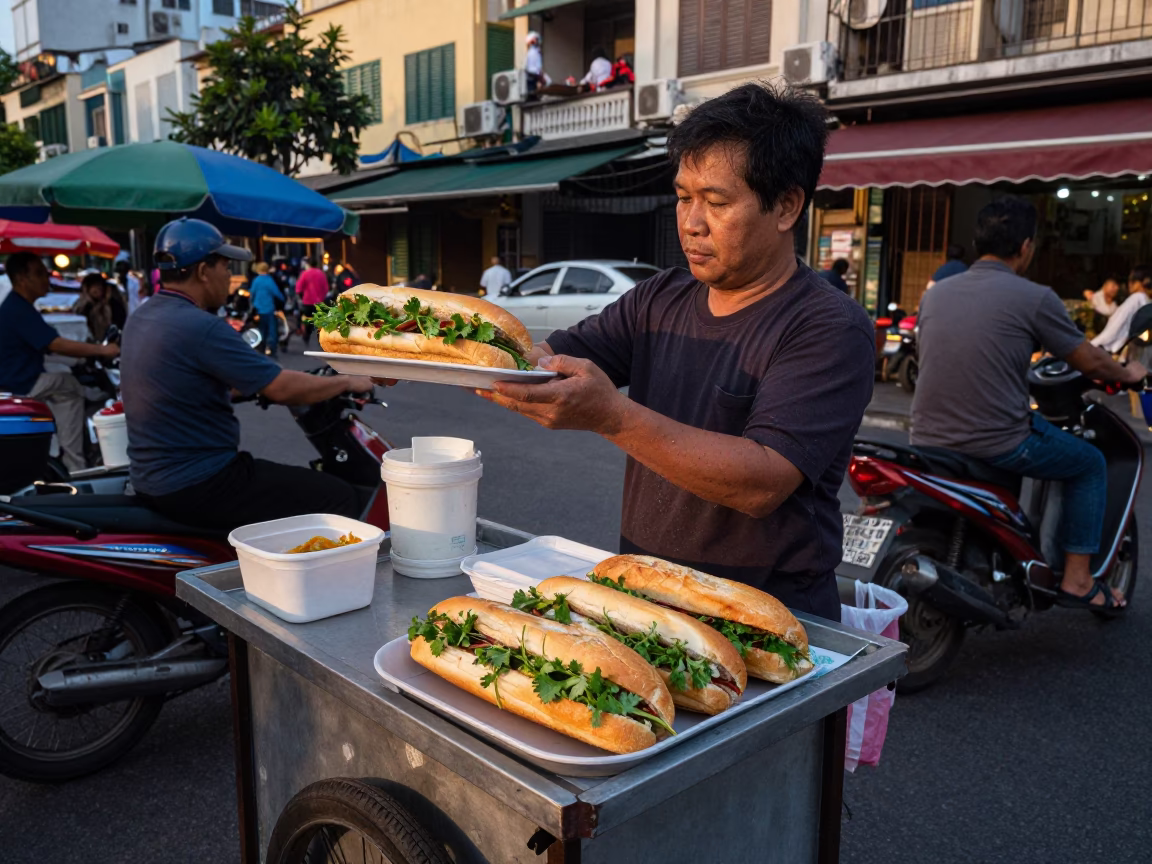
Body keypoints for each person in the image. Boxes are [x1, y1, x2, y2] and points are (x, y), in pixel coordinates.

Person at [478, 82, 875, 621]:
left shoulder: (829, 326)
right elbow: (543, 360)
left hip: (769, 619)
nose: (690, 222)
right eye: (684, 196)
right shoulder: (659, 297)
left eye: (715, 202)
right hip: (646, 603)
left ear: (786, 206)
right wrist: (429, 360)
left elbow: (762, 482)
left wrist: (612, 417)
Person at [911, 197, 1144, 613]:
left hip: (926, 437)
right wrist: (1129, 374)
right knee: (1090, 462)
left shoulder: (935, 294)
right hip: (998, 441)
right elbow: (1088, 358)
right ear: (1026, 247)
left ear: (976, 240)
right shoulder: (1034, 297)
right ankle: (1077, 579)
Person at [119, 218, 375, 532]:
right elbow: (280, 387)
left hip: (154, 478)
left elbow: (180, 382)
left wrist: (244, 389)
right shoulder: (201, 326)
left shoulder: (143, 315)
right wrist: (348, 381)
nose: (230, 277)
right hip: (201, 481)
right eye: (226, 268)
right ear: (203, 271)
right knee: (340, 497)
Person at [0, 252, 120, 472]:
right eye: (39, 274)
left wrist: (84, 355)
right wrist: (102, 350)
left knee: (64, 379)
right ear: (21, 279)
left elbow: (46, 345)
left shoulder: (19, 307)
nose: (46, 279)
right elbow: (55, 344)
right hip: (19, 384)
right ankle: (75, 464)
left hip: (22, 378)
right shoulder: (17, 309)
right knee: (70, 385)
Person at [1090, 267, 1150, 354]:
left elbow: (1115, 329)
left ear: (1137, 283)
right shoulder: (1145, 299)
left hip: (1117, 350)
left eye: (1130, 281)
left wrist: (1092, 345)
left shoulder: (1136, 299)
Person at [73, 272, 127, 340]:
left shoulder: (113, 304)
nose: (98, 289)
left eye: (99, 285)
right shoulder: (81, 306)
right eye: (94, 286)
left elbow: (120, 323)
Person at [248, 262, 284, 358]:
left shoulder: (256, 280)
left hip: (259, 310)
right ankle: (272, 349)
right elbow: (277, 293)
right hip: (269, 309)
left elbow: (252, 293)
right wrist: (283, 299)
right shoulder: (269, 280)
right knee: (272, 330)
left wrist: (251, 303)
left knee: (261, 330)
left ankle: (262, 349)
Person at [296, 259, 330, 343]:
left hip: (307, 301)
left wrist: (301, 297)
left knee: (307, 320)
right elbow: (326, 288)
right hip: (319, 302)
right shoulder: (321, 274)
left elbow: (299, 288)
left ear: (308, 265)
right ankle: (321, 340)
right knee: (320, 322)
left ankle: (306, 336)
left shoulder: (305, 273)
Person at [524, 31, 548, 96]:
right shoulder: (532, 53)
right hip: (531, 81)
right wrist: (541, 78)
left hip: (534, 80)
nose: (537, 41)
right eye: (535, 39)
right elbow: (532, 70)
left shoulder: (535, 52)